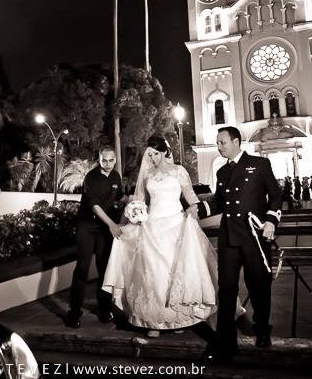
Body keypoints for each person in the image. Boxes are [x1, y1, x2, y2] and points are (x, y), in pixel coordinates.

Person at [103, 136, 230, 337]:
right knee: (154, 273)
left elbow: (191, 197)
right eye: (150, 154)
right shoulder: (147, 175)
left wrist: (194, 211)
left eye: (156, 153)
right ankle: (154, 322)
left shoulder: (179, 171)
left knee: (177, 272)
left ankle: (179, 319)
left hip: (177, 226)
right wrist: (131, 216)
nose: (153, 158)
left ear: (164, 151)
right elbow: (140, 201)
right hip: (152, 228)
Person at [197, 126, 282, 363]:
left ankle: (262, 329)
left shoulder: (259, 164)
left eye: (222, 142)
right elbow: (219, 202)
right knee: (226, 289)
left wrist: (271, 220)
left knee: (258, 285)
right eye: (217, 143)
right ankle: (226, 342)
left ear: (236, 141)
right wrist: (197, 210)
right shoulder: (222, 172)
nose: (219, 147)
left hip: (254, 236)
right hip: (229, 238)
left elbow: (276, 195)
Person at [65, 146, 124, 328]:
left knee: (104, 269)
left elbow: (119, 198)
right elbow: (95, 207)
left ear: (115, 160)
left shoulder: (116, 177)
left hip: (104, 229)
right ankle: (74, 313)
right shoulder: (91, 177)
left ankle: (105, 310)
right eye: (104, 160)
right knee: (82, 269)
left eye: (111, 160)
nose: (108, 164)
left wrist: (134, 207)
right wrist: (112, 224)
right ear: (99, 159)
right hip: (87, 227)